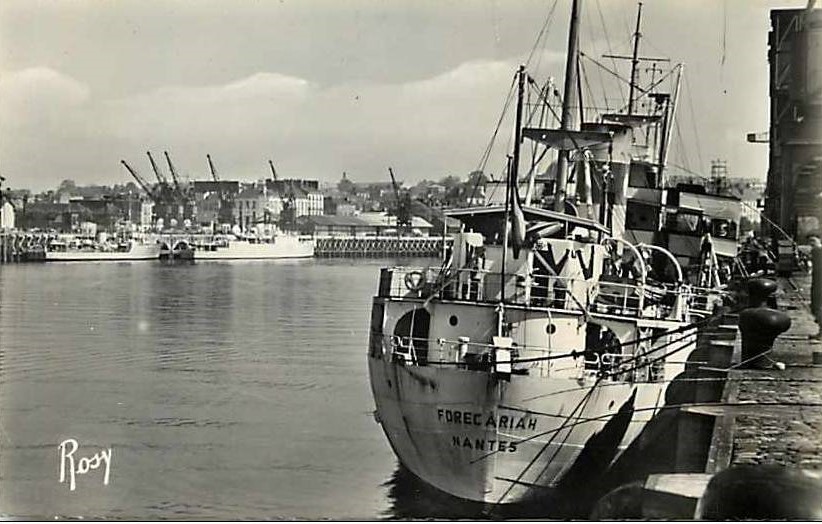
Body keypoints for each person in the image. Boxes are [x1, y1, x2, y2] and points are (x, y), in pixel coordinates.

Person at [810, 235, 822, 339]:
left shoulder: (817, 250)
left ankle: (821, 333)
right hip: (816, 282)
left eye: (813, 240)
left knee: (818, 307)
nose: (811, 243)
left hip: (819, 284)